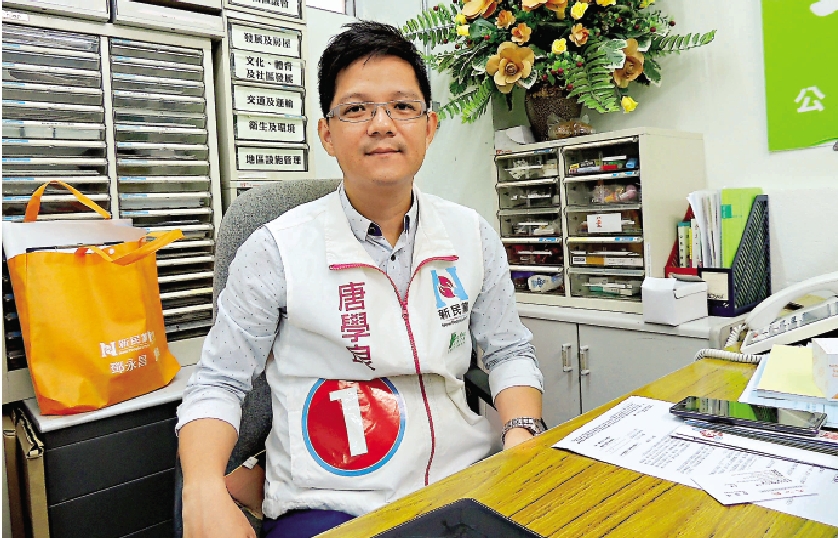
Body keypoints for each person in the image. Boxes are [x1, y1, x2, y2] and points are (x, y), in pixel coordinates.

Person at [176, 20, 544, 538]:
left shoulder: (471, 235)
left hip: (463, 483)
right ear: (327, 134)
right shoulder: (275, 248)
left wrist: (522, 431)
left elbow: (509, 351)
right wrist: (202, 489)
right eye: (356, 109)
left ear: (429, 127)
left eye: (402, 106)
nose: (381, 124)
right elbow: (218, 380)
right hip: (331, 498)